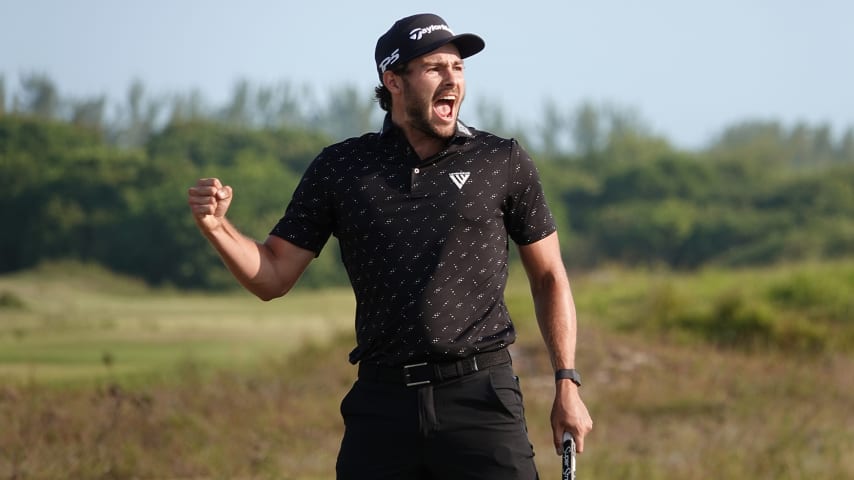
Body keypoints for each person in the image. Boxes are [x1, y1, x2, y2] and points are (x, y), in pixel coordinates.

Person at [188, 13, 592, 479]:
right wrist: (217, 228)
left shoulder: (500, 159)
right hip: (382, 406)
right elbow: (273, 276)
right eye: (435, 67)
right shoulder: (341, 168)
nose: (452, 79)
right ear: (393, 80)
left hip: (482, 397)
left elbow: (549, 276)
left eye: (458, 68)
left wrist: (567, 381)